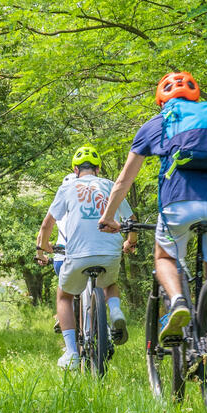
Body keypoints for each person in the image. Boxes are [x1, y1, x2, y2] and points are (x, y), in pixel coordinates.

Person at [99, 72, 207, 342]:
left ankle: (177, 303)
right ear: (195, 95)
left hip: (179, 204)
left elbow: (123, 181)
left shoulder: (157, 123)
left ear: (161, 100)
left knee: (165, 258)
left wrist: (108, 217)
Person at [38, 145, 137, 370]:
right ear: (98, 168)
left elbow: (47, 225)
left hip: (78, 254)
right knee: (109, 282)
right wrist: (131, 241)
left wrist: (44, 249)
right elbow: (131, 220)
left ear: (75, 170)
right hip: (109, 252)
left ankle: (72, 353)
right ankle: (115, 311)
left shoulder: (67, 187)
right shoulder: (111, 186)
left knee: (64, 296)